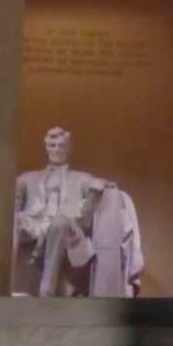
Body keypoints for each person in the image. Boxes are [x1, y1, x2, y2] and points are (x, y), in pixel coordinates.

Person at [13, 126, 108, 296]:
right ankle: (9, 284)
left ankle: (47, 288)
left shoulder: (81, 178)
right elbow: (13, 207)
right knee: (13, 222)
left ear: (68, 149)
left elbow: (96, 186)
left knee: (59, 222)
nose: (56, 150)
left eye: (61, 146)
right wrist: (20, 218)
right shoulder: (26, 179)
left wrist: (99, 186)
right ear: (46, 147)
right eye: (52, 145)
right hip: (33, 225)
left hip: (65, 228)